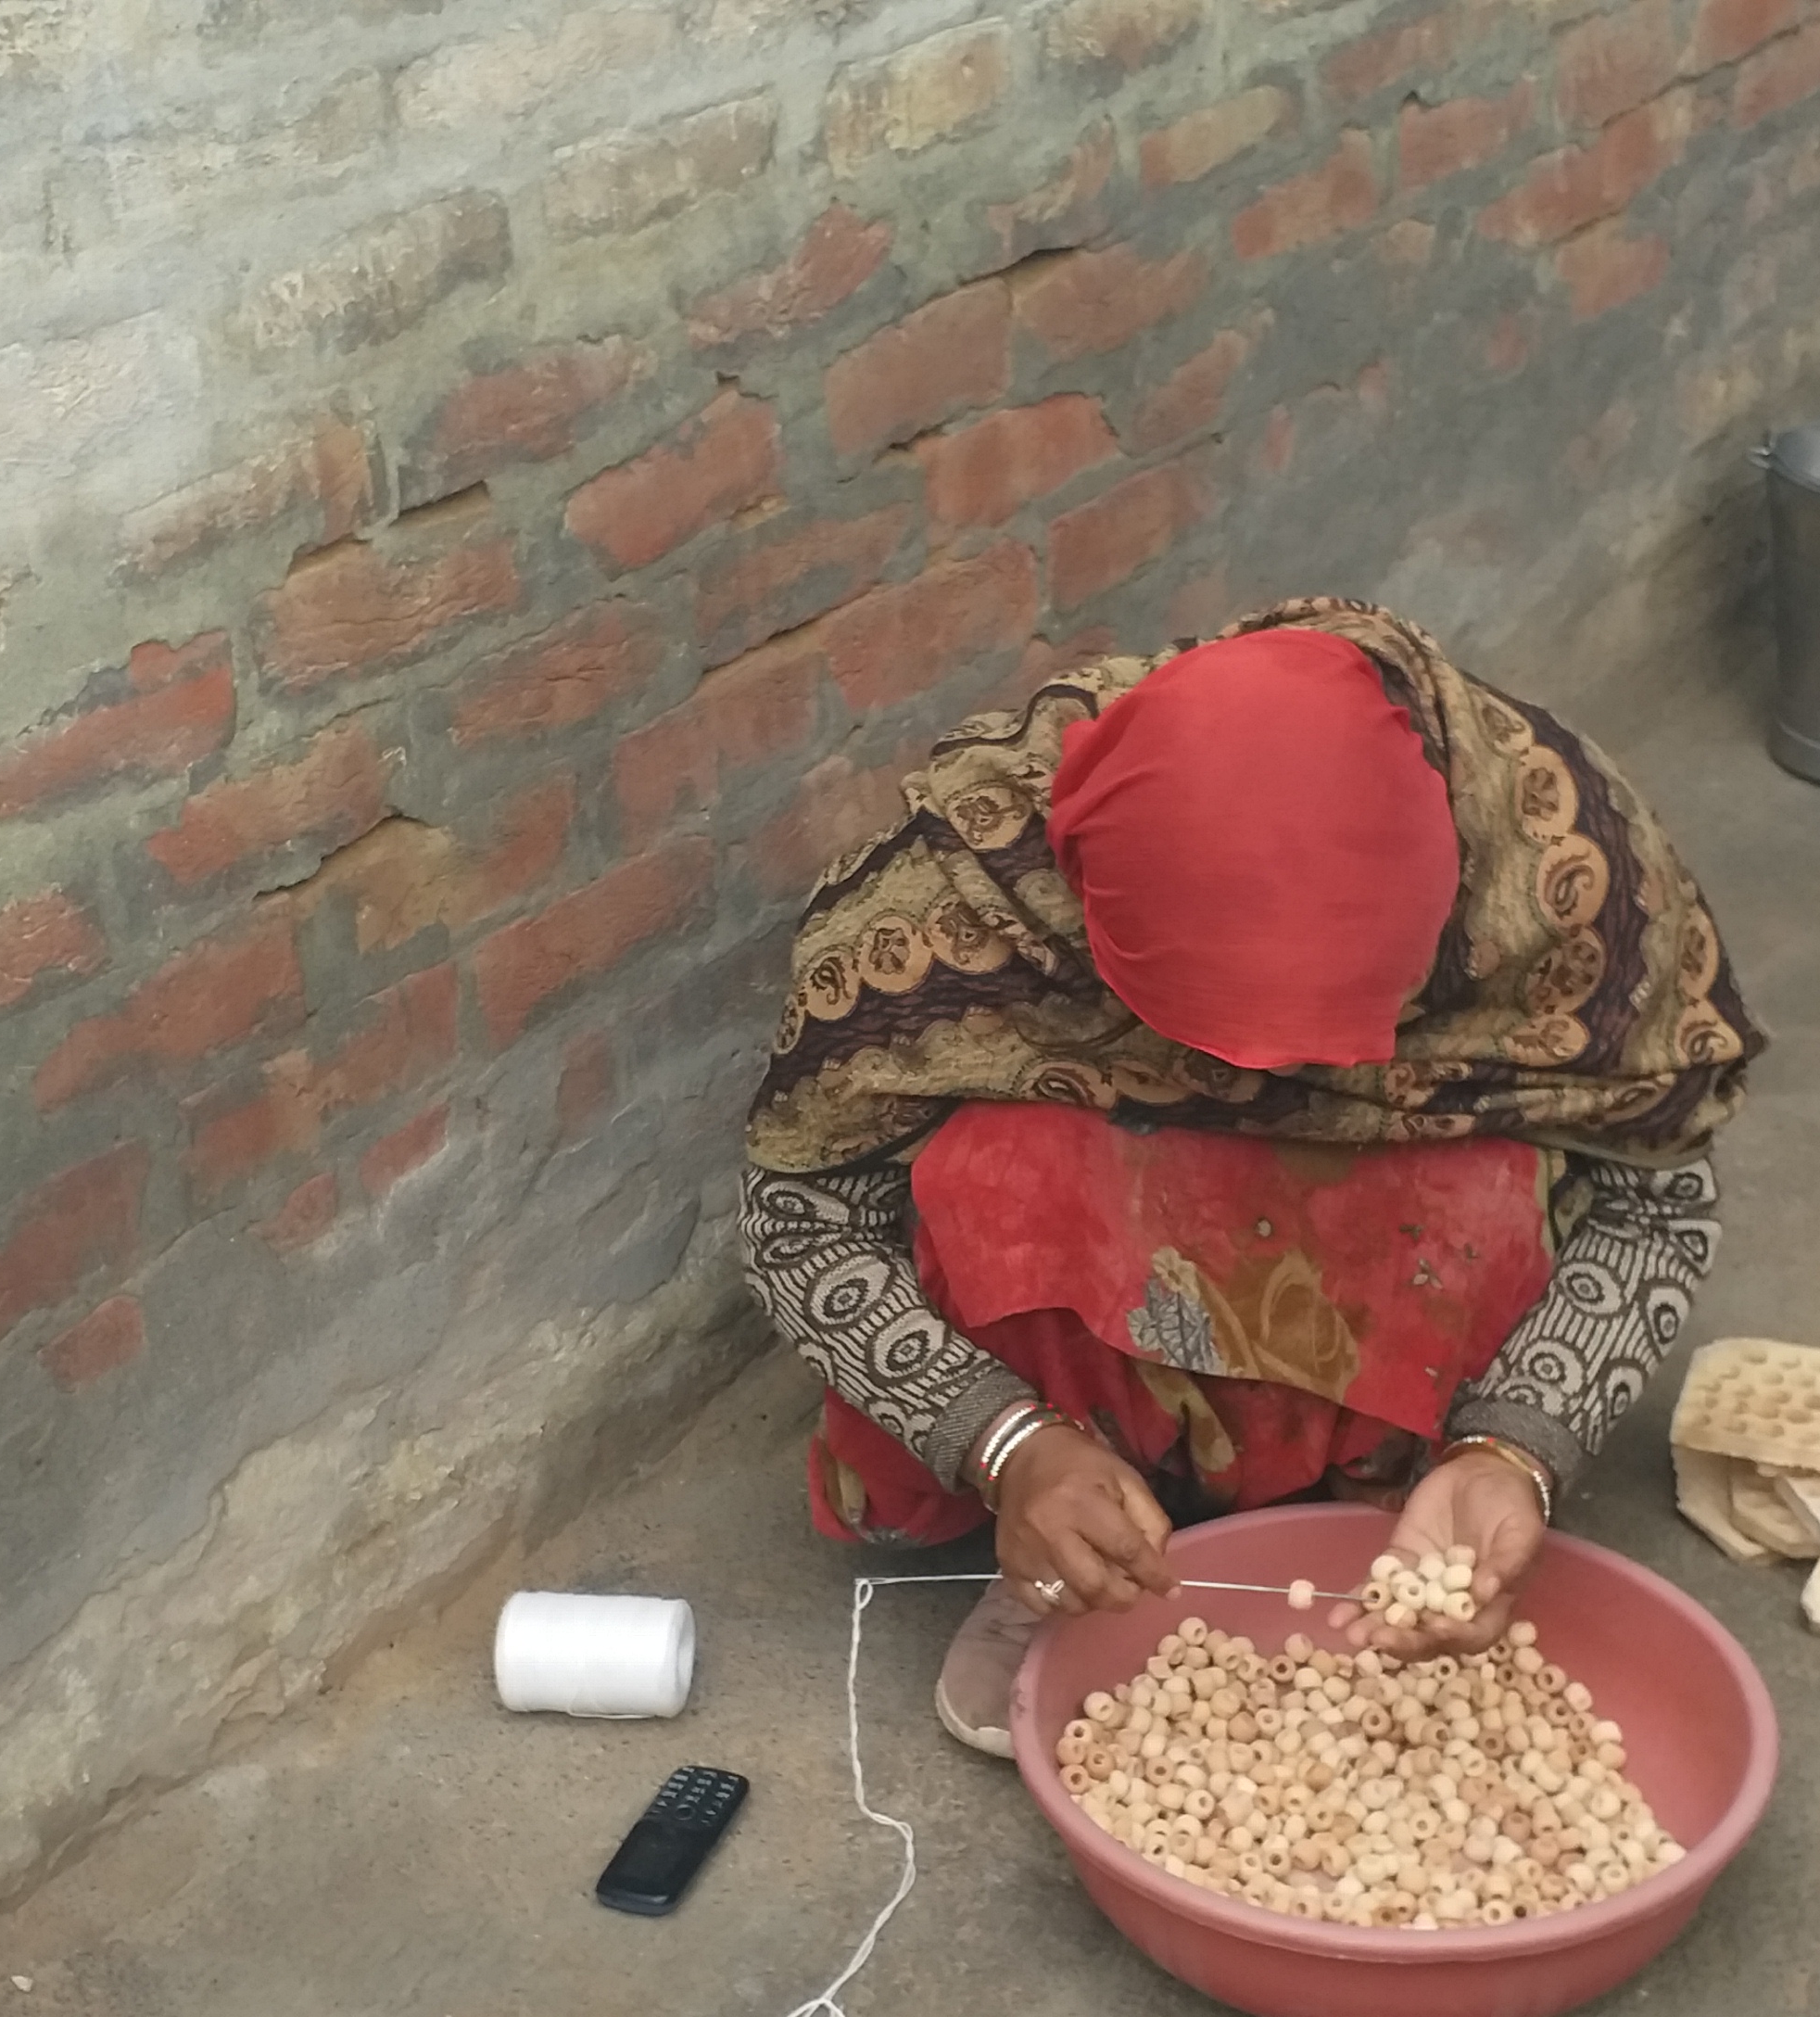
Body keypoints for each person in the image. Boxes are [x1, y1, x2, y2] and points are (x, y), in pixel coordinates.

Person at [739, 597, 1762, 1755]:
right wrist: (1002, 1438)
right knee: (1001, 1172)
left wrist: (1516, 1445)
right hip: (1075, 1350)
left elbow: (1655, 1195)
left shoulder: (1568, 880)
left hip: (1409, 1302)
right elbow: (801, 1209)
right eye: (1204, 1045)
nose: (1269, 1096)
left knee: (1471, 1193)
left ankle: (1387, 1499)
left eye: (1330, 1052)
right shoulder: (958, 899)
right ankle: (1078, 1508)